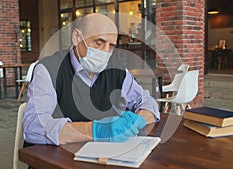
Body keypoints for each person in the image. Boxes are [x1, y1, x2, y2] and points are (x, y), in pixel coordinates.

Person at [22, 13, 160, 145]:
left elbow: (148, 103)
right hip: (58, 159)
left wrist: (137, 121)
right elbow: (32, 126)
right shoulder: (48, 70)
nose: (105, 51)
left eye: (111, 46)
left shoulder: (117, 69)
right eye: (99, 42)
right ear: (77, 37)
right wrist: (95, 131)